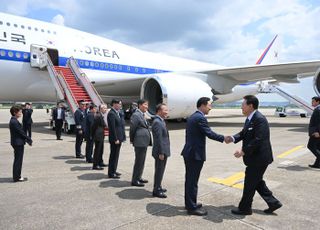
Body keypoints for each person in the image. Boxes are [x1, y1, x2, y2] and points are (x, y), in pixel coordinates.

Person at [227, 95, 282, 215]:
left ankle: (244, 208)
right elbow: (243, 133)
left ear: (250, 106)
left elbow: (259, 139)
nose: (241, 107)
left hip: (259, 158)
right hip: (255, 158)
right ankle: (273, 203)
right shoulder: (250, 118)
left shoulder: (259, 119)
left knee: (249, 184)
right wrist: (232, 138)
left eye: (243, 105)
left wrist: (243, 151)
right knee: (256, 182)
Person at [181, 97, 225, 216]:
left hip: (189, 152)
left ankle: (190, 203)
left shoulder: (193, 116)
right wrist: (224, 138)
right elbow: (209, 133)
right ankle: (192, 208)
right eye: (209, 105)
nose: (211, 107)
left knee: (190, 180)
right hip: (194, 154)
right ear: (203, 105)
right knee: (192, 181)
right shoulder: (200, 118)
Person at [130, 99, 152, 187]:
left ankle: (139, 177)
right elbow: (133, 128)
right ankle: (135, 180)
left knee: (142, 161)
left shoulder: (142, 115)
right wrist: (132, 140)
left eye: (147, 105)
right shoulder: (136, 115)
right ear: (140, 105)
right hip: (139, 142)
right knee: (139, 161)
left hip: (143, 142)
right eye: (145, 105)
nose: (147, 107)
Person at [9, 105, 33, 182]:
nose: (21, 113)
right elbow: (21, 132)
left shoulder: (13, 120)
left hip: (17, 142)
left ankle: (17, 176)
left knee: (18, 160)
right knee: (18, 160)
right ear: (14, 112)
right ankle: (17, 177)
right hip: (18, 143)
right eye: (19, 112)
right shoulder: (14, 122)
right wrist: (29, 139)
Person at [151, 103, 170, 198]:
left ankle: (158, 186)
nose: (167, 111)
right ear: (159, 111)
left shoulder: (161, 120)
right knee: (159, 170)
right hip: (160, 152)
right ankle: (156, 190)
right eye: (165, 110)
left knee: (160, 170)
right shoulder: (157, 122)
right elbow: (158, 139)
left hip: (163, 150)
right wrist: (161, 152)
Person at [107, 99, 126, 178]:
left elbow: (121, 126)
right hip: (115, 139)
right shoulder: (111, 113)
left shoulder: (118, 113)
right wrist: (116, 139)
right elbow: (112, 128)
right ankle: (111, 173)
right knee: (113, 155)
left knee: (116, 155)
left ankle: (114, 170)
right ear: (114, 104)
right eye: (119, 104)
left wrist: (123, 137)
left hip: (119, 137)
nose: (121, 106)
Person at [92, 104, 108, 170]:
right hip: (98, 135)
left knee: (101, 150)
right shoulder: (98, 116)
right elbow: (94, 127)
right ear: (101, 109)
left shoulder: (100, 115)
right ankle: (95, 165)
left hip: (101, 135)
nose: (106, 110)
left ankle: (100, 162)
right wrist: (93, 135)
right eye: (104, 108)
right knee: (97, 150)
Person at [307, 96, 320, 168]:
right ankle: (317, 164)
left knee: (311, 146)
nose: (312, 102)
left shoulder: (318, 110)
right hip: (317, 132)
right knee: (318, 147)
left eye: (313, 101)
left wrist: (317, 132)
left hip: (316, 133)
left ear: (318, 102)